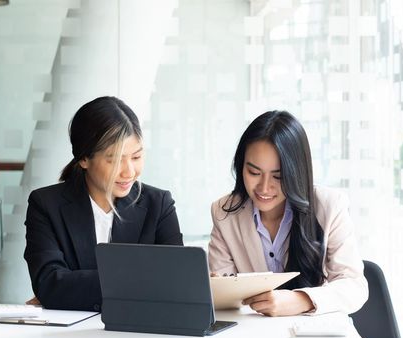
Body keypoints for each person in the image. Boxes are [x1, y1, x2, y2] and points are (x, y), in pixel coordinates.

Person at [24, 96, 183, 311]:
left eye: (136, 157)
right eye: (115, 160)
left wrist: (72, 288)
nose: (129, 171)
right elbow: (49, 284)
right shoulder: (45, 205)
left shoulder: (159, 205)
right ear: (84, 159)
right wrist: (143, 281)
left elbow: (177, 282)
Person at [207, 110, 368, 317]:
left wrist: (301, 300)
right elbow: (224, 300)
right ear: (241, 167)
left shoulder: (329, 206)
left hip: (313, 333)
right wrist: (217, 288)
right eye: (254, 173)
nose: (264, 188)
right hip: (251, 334)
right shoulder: (224, 213)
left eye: (278, 176)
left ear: (297, 173)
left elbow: (355, 286)